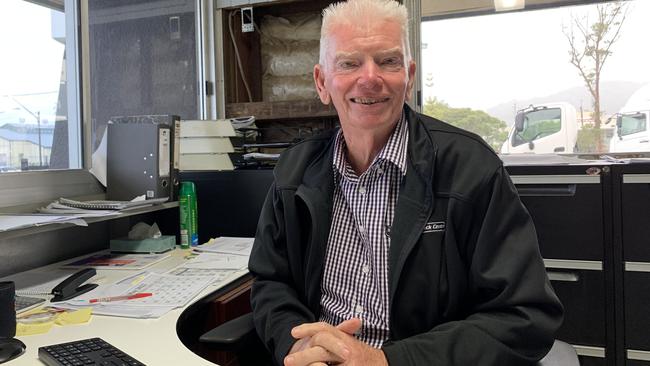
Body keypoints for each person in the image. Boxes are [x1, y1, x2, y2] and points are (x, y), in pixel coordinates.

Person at [248, 0, 564, 365]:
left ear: (409, 76)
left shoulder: (470, 169)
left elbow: (524, 316)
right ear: (322, 82)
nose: (369, 78)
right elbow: (270, 282)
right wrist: (299, 343)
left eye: (388, 61)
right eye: (350, 63)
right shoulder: (294, 171)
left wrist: (388, 360)